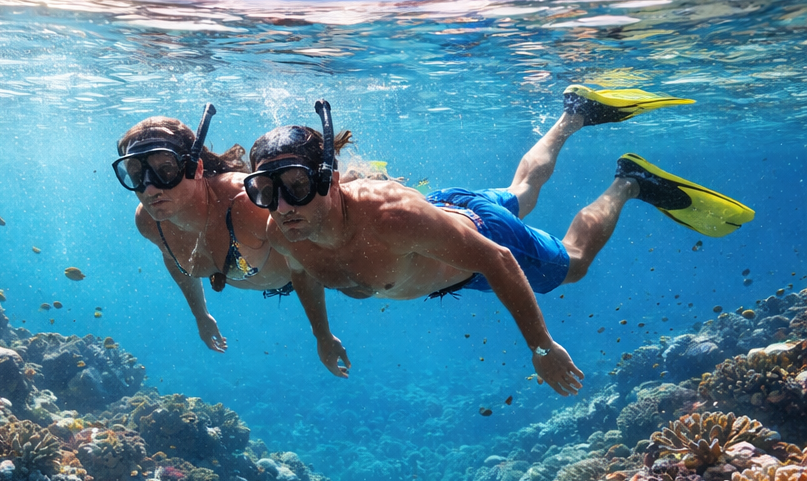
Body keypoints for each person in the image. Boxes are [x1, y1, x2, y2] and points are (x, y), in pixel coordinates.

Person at [245, 89, 754, 393]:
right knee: (520, 191)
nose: (283, 206)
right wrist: (321, 334)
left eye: (295, 186)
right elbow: (300, 269)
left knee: (573, 264)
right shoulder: (282, 228)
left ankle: (630, 182)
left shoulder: (392, 216)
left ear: (330, 180)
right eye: (265, 190)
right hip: (444, 216)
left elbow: (498, 258)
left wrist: (540, 344)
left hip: (478, 238)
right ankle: (574, 113)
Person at [114, 104, 337, 353]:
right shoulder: (149, 221)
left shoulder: (246, 206)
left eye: (165, 170)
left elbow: (305, 264)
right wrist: (201, 315)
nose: (149, 189)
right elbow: (173, 260)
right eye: (135, 175)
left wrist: (322, 334)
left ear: (197, 168)